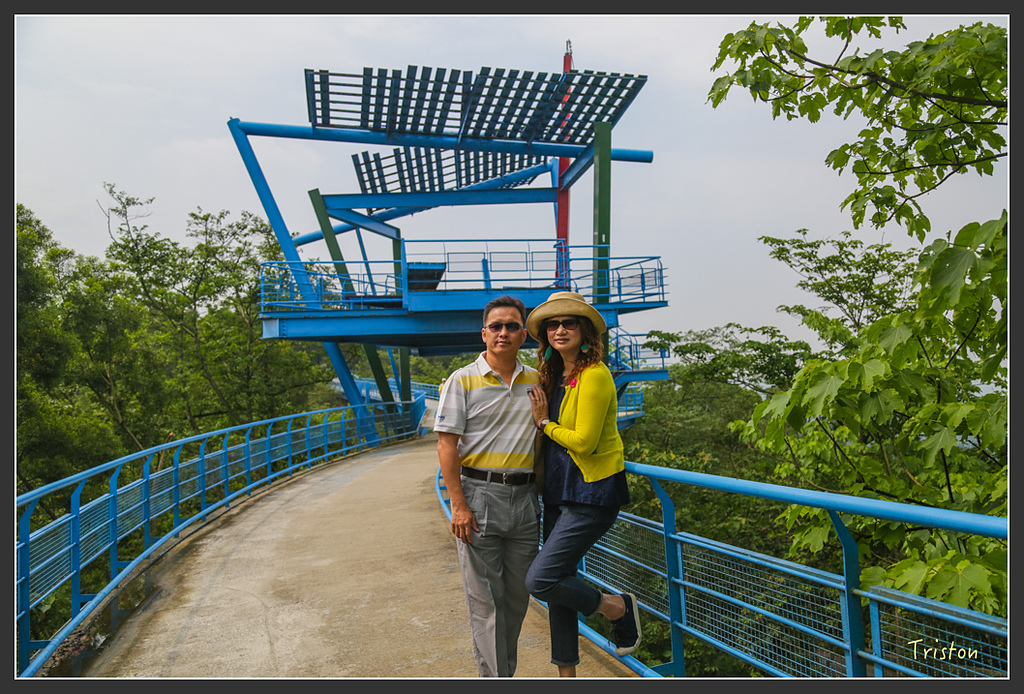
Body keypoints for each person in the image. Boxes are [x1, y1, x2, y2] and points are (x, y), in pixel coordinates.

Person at [523, 291, 642, 677]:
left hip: (591, 493)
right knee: (560, 580)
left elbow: (586, 442)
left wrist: (544, 423)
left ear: (584, 331)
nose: (559, 330)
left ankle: (617, 607)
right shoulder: (555, 376)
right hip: (559, 491)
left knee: (540, 579)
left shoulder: (594, 375)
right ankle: (567, 676)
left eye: (568, 323)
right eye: (552, 325)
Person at [434, 295, 542, 677]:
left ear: (524, 334)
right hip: (479, 496)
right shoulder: (462, 380)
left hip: (526, 498)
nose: (503, 332)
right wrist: (459, 505)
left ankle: (500, 674)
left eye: (512, 326)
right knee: (486, 602)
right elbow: (446, 444)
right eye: (496, 326)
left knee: (516, 598)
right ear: (484, 333)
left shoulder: (536, 380)